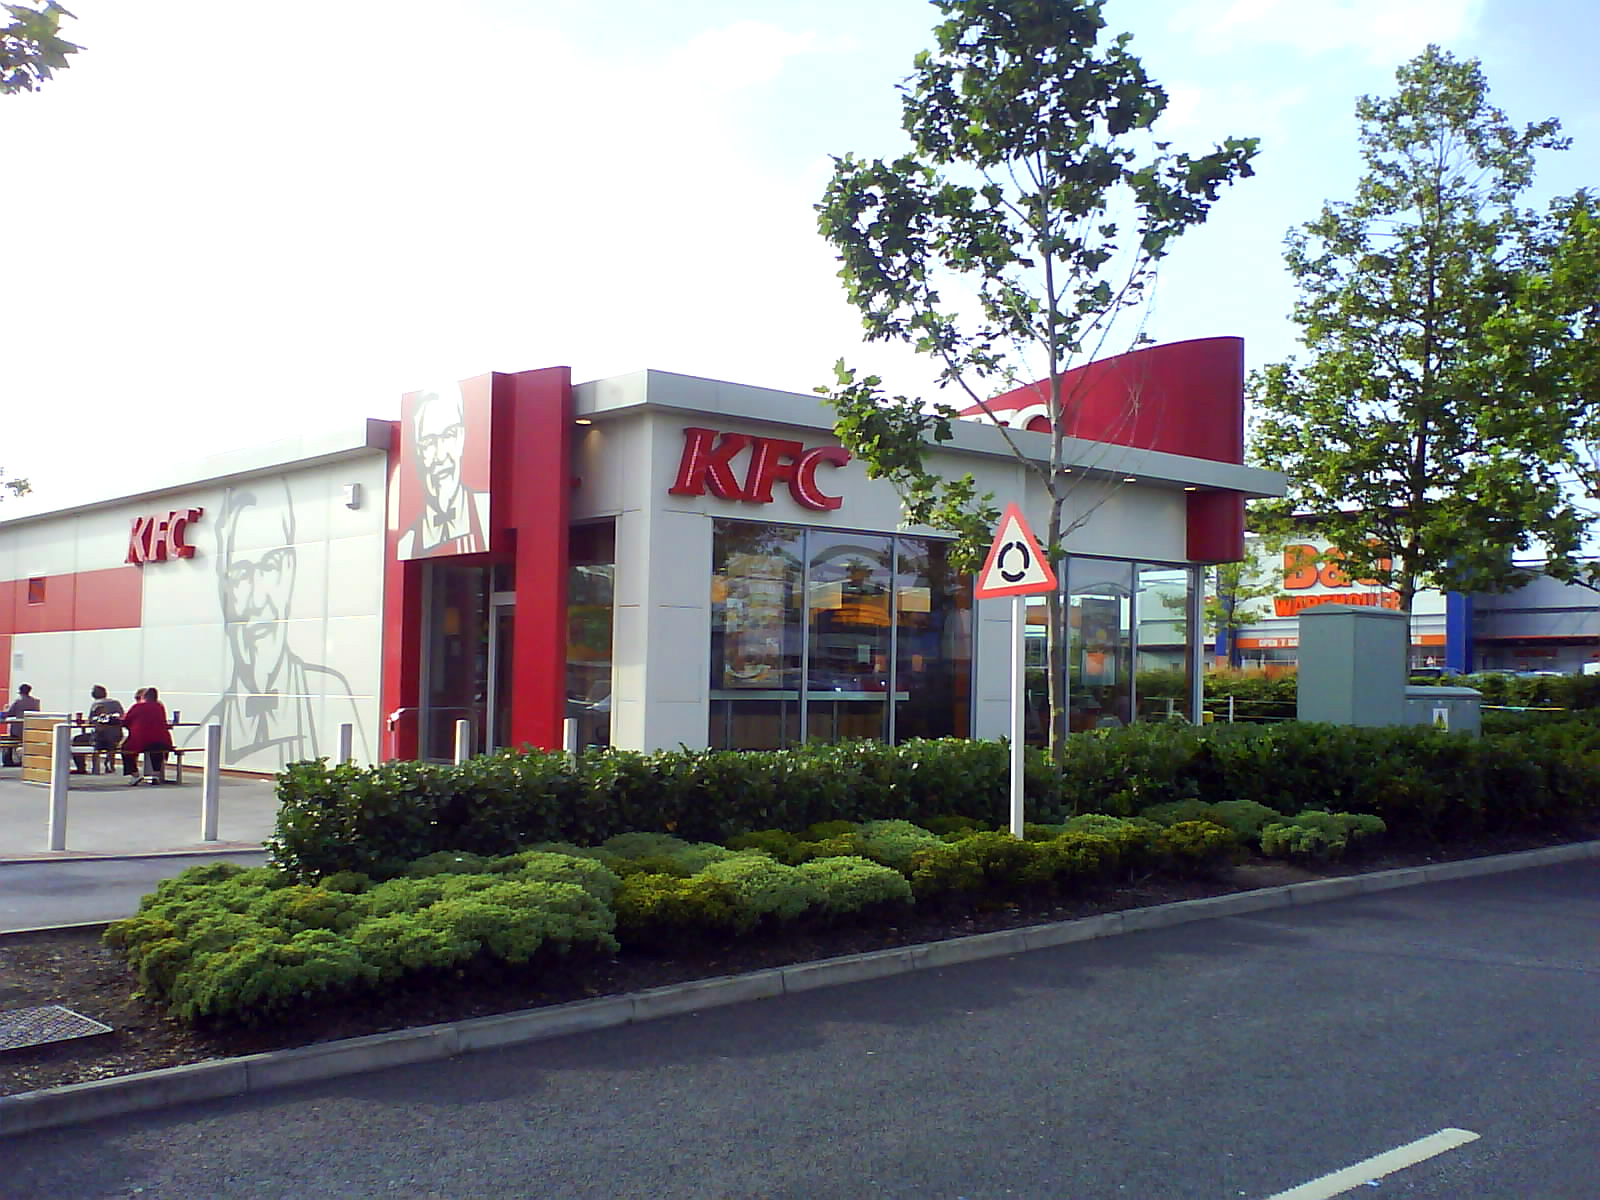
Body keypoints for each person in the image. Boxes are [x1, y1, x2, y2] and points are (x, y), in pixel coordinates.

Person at [195, 481, 369, 770]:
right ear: (221, 586)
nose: (258, 598)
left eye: (270, 566)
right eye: (241, 574)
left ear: (291, 571)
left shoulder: (332, 690)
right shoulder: (203, 731)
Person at [398, 382, 490, 558]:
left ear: (462, 438)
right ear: (418, 452)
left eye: (448, 435)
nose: (440, 456)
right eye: (429, 442)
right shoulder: (407, 544)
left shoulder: (486, 513)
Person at [122, 686, 173, 785]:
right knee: (156, 747)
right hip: (162, 741)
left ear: (143, 697)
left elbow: (126, 721)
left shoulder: (137, 707)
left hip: (141, 741)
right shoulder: (160, 707)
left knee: (125, 749)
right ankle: (155, 774)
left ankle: (134, 774)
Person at [71, 685, 125, 774]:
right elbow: (122, 717)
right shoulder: (116, 703)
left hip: (101, 738)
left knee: (77, 740)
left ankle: (81, 768)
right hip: (116, 737)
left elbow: (91, 722)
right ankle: (110, 763)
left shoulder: (96, 704)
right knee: (106, 739)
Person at [2, 683, 41, 767]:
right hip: (30, 729)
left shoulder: (18, 702)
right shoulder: (36, 702)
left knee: (9, 741)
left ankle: (8, 761)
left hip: (18, 731)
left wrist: (5, 709)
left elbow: (9, 713)